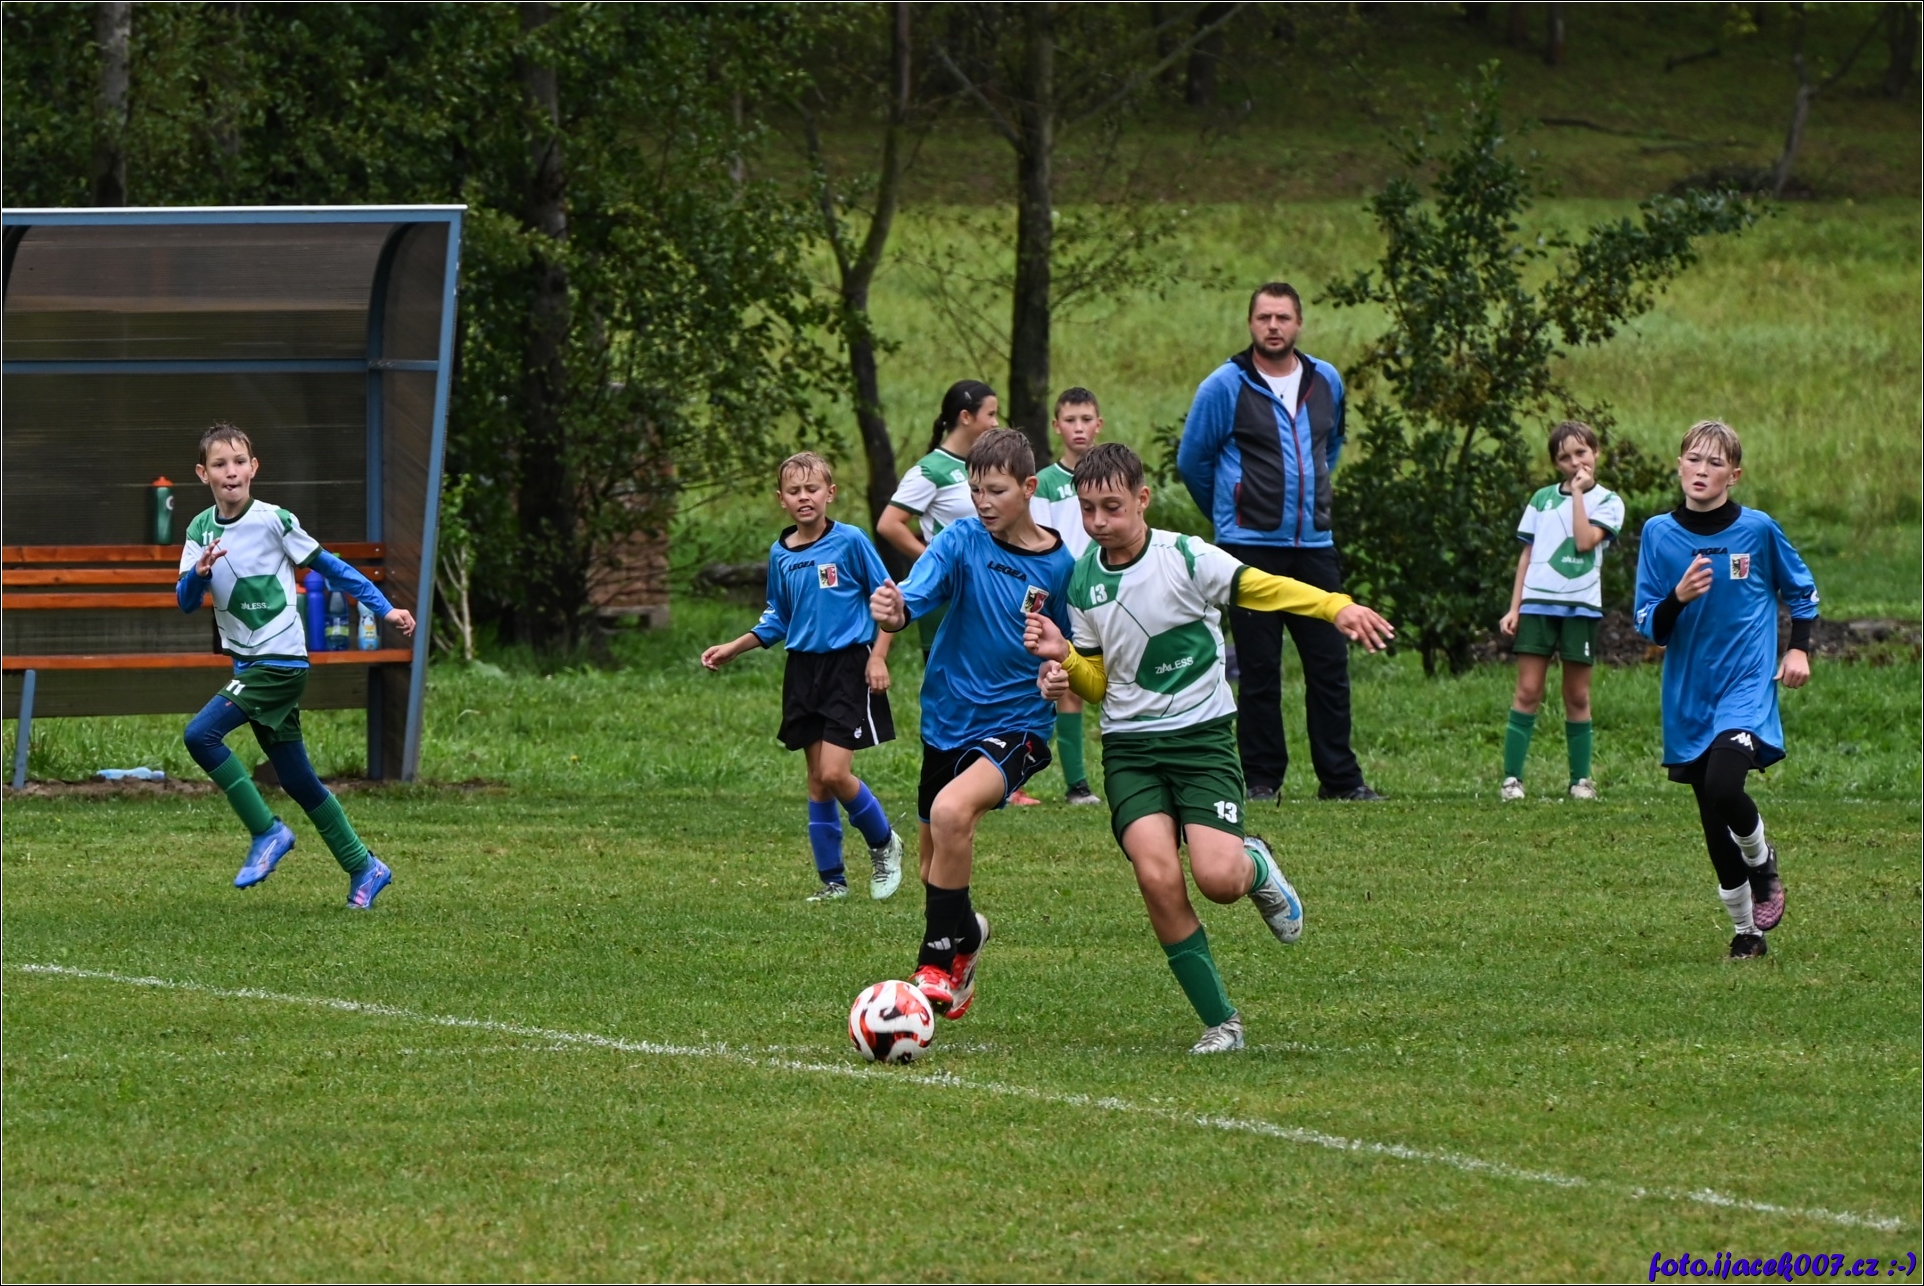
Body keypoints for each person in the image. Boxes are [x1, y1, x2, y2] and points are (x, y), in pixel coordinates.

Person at [1024, 443, 1395, 1053]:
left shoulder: (1187, 557)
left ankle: (1256, 865)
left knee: (1219, 879)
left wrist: (1335, 607)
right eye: (1088, 509)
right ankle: (1222, 1023)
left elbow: (1265, 588)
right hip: (1130, 750)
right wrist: (1063, 659)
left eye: (1111, 507)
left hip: (1202, 742)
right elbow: (1098, 684)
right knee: (1157, 876)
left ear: (1142, 499)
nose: (1098, 522)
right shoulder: (1082, 580)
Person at [868, 428, 1076, 1021]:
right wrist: (896, 610)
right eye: (975, 490)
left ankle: (934, 962)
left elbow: (1073, 648)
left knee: (951, 811)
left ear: (1029, 488)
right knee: (932, 866)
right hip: (948, 718)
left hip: (1018, 724)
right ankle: (968, 934)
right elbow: (915, 595)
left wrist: (1058, 673)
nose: (983, 502)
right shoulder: (959, 540)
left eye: (996, 491)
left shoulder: (1062, 566)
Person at [176, 422, 415, 908]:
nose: (230, 472)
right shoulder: (200, 530)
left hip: (280, 663)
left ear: (253, 468)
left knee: (200, 735)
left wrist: (385, 608)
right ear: (203, 474)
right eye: (219, 464)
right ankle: (364, 866)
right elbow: (184, 601)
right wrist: (199, 575)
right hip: (249, 666)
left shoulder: (275, 521)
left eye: (238, 462)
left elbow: (334, 568)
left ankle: (267, 832)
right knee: (298, 779)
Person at [1176, 282, 1383, 803]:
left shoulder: (1326, 380)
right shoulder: (1224, 385)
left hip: (1314, 545)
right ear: (1251, 323)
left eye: (1283, 317)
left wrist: (1309, 500)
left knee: (1329, 665)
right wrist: (1232, 510)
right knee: (1260, 667)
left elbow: (1330, 446)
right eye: (1264, 317)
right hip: (1249, 547)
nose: (1273, 326)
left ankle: (1341, 781)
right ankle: (1262, 779)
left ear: (1299, 324)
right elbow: (1193, 461)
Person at [1634, 420, 1815, 960]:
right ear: (1679, 466)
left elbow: (1801, 591)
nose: (1701, 470)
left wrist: (1798, 649)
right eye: (1694, 459)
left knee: (1723, 785)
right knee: (1712, 817)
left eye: (1714, 463)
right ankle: (1747, 933)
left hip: (1745, 685)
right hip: (1689, 693)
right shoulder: (1658, 534)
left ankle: (1762, 862)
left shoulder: (1757, 530)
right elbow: (1649, 624)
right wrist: (1677, 597)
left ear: (1733, 475)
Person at [702, 452, 905, 903]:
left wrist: (878, 658)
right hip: (803, 671)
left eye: (812, 489)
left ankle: (884, 842)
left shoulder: (850, 541)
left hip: (848, 666)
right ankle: (833, 881)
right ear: (782, 500)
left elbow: (890, 601)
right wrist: (734, 647)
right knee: (816, 778)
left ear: (830, 493)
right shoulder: (781, 553)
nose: (804, 497)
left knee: (835, 772)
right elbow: (778, 615)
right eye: (794, 491)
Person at [1496, 421, 1626, 801]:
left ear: (1595, 453)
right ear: (1556, 463)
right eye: (1565, 457)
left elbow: (1585, 541)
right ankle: (1511, 780)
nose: (1575, 462)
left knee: (1577, 696)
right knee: (1528, 690)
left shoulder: (1609, 502)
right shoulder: (1541, 499)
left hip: (1580, 609)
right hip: (1537, 607)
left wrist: (1580, 494)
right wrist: (1514, 608)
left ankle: (1580, 781)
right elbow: (1527, 555)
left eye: (1581, 452)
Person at [1028, 387, 1105, 806]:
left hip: (1102, 592)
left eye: (1086, 419)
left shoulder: (1108, 478)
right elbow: (1040, 543)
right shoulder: (1044, 484)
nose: (1079, 428)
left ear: (1099, 424)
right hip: (1061, 594)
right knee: (1065, 682)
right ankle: (1076, 784)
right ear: (1056, 426)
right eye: (1070, 420)